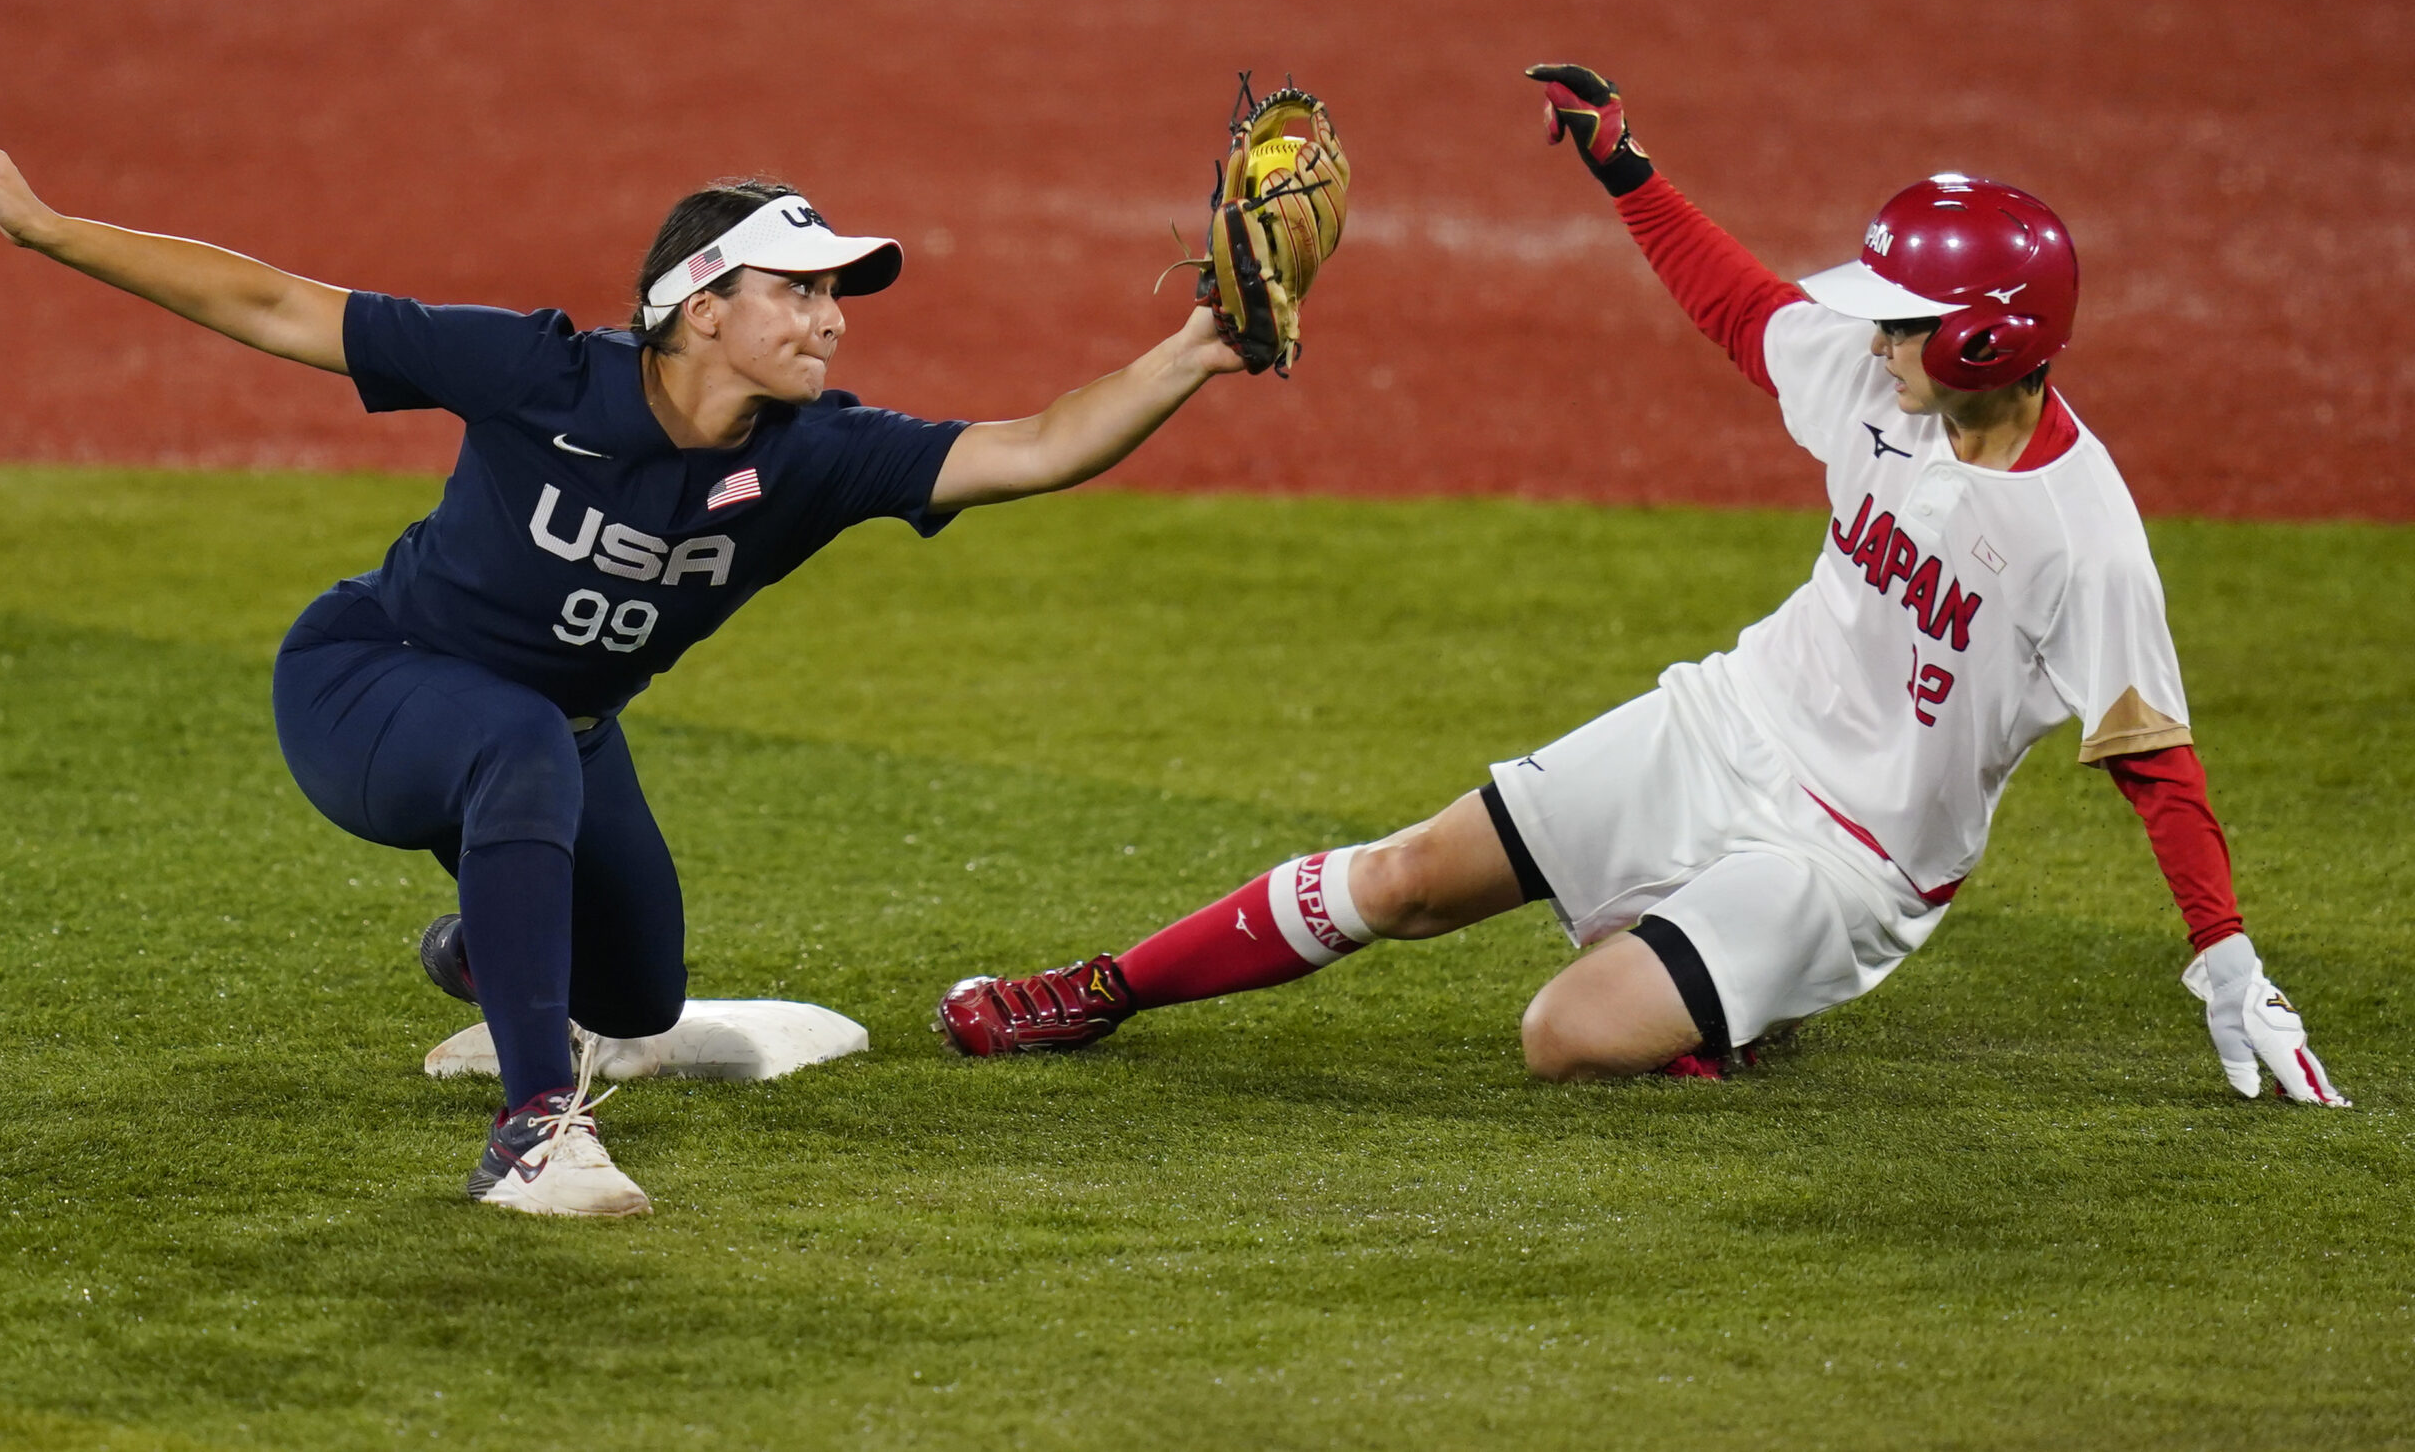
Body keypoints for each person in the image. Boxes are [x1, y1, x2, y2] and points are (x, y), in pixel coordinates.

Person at [934, 64, 2348, 1109]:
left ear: (1987, 340)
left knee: (1563, 1035)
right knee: (1412, 877)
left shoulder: (2082, 535)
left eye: (1906, 318)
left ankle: (1721, 999)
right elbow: (1745, 309)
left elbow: (2154, 761)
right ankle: (1102, 990)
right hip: (1725, 724)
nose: (1874, 333)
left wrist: (2226, 963)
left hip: (1845, 863)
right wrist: (1628, 168)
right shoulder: (1875, 384)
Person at [0, 133, 1252, 1215]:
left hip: (559, 736)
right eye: (800, 289)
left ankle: (489, 960)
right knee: (522, 745)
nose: (829, 319)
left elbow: (1035, 448)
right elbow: (274, 304)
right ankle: (531, 1132)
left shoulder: (817, 455)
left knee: (639, 996)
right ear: (700, 305)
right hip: (369, 685)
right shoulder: (538, 372)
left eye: (834, 292)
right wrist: (46, 225)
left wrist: (1194, 351)